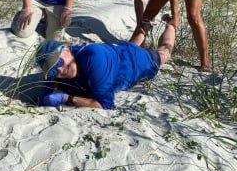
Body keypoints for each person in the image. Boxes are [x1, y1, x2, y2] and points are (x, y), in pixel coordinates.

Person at [35, 15, 175, 109]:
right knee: (131, 44)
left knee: (164, 53)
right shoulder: (63, 61)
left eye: (59, 63)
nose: (59, 70)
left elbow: (106, 105)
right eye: (53, 70)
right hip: (120, 50)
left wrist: (67, 99)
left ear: (66, 49)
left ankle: (171, 25)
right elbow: (48, 83)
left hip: (138, 62)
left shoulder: (93, 59)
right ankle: (144, 29)